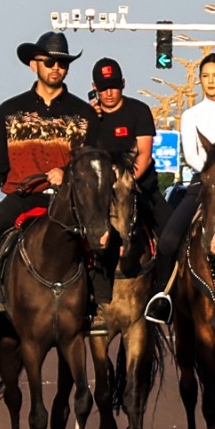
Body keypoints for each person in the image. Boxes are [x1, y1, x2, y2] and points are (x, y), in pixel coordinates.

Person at [0, 32, 97, 330]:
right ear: (33, 64)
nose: (57, 68)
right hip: (23, 196)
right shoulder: (9, 111)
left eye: (63, 63)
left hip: (69, 201)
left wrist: (67, 174)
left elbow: (94, 165)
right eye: (50, 62)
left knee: (102, 237)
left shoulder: (84, 114)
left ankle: (98, 305)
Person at [141, 51, 215, 327]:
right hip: (202, 185)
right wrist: (211, 172)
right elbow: (191, 155)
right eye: (205, 76)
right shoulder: (191, 114)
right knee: (168, 240)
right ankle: (163, 297)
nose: (210, 81)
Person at [81, 57, 161, 338]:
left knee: (171, 233)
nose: (109, 93)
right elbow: (82, 156)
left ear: (123, 84)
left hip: (140, 188)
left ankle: (164, 295)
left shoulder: (139, 111)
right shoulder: (89, 117)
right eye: (103, 88)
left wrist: (124, 183)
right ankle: (85, 301)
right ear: (94, 88)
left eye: (114, 86)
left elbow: (144, 154)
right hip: (100, 195)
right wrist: (89, 121)